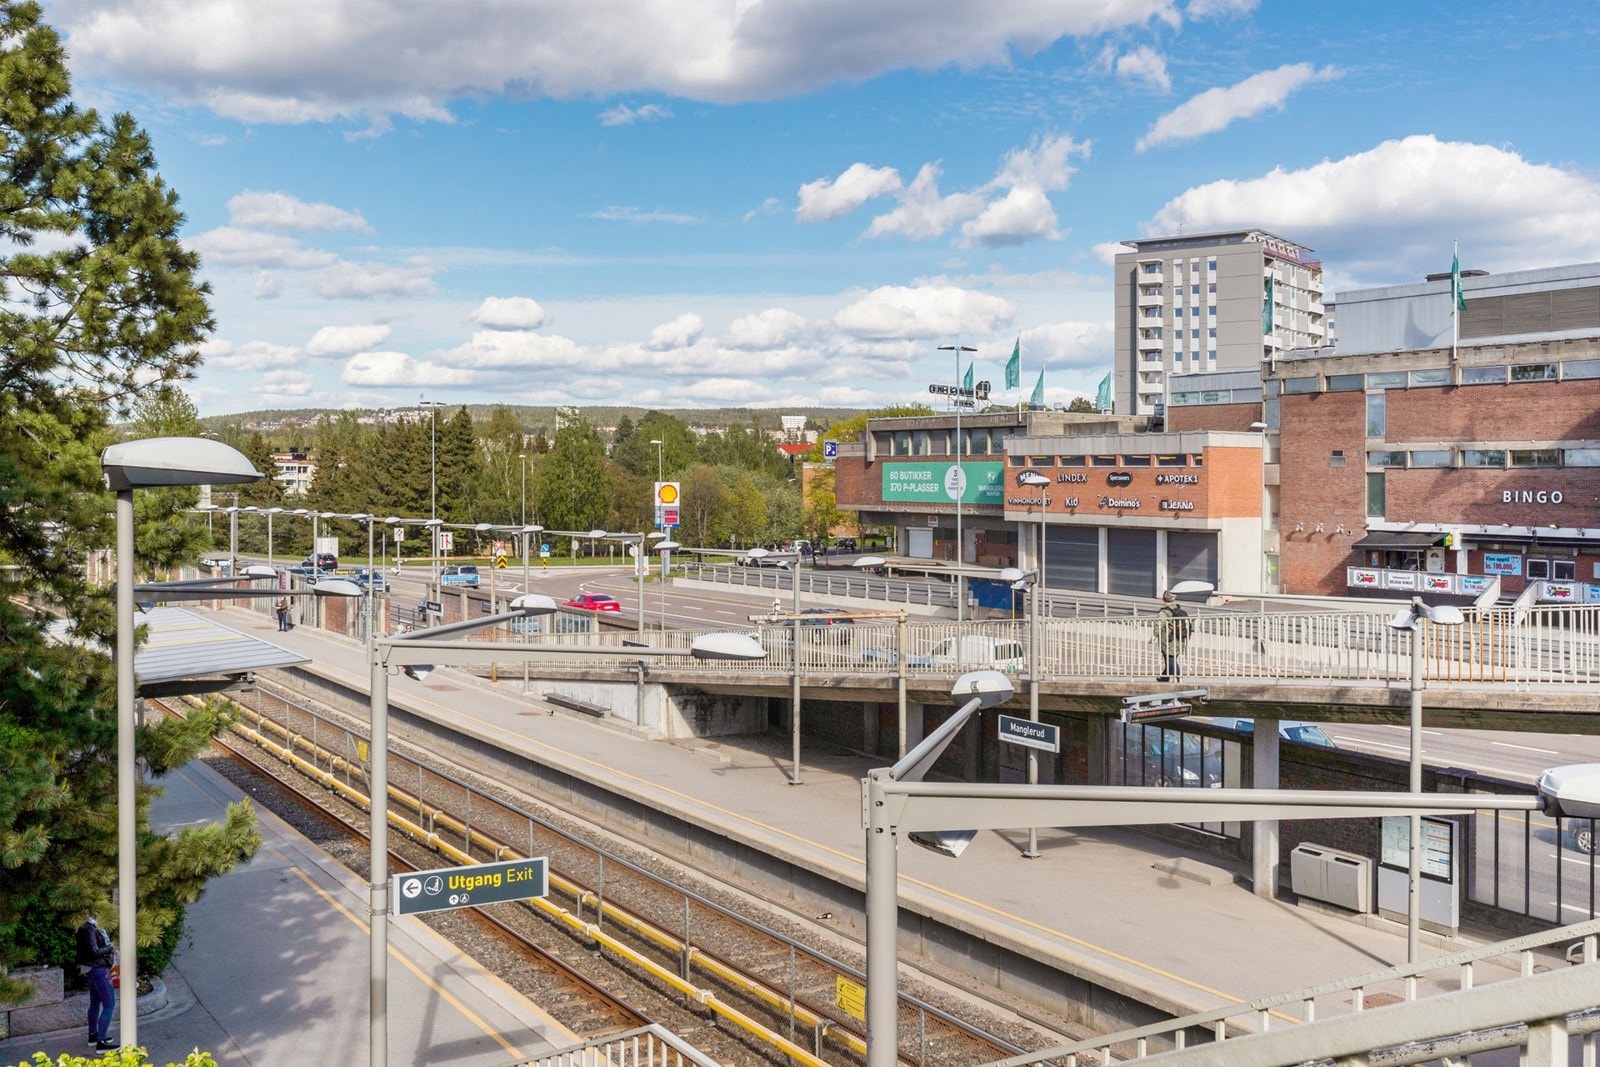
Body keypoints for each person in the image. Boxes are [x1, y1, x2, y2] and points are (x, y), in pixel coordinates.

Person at [75, 916, 117, 1051]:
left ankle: (93, 1035)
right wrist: (110, 948)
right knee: (109, 1004)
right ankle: (101, 1042)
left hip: (90, 968)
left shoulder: (83, 925)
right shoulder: (89, 927)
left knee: (95, 1003)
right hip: (98, 969)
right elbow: (95, 951)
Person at [1151, 590, 1190, 682]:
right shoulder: (1178, 609)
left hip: (1168, 639)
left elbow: (1160, 624)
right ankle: (1165, 677)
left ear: (1164, 599)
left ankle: (1178, 677)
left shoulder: (1164, 612)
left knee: (1170, 659)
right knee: (1171, 658)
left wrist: (1154, 635)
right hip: (1179, 638)